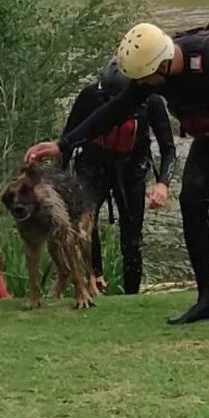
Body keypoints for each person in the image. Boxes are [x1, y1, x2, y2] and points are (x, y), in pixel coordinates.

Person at [25, 22, 209, 333]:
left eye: (143, 78)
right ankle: (208, 297)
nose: (141, 85)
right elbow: (114, 110)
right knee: (192, 200)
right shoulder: (154, 75)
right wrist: (62, 144)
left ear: (163, 65)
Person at [61, 60, 176, 295]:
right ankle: (95, 279)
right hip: (93, 165)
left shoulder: (150, 100)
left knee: (132, 239)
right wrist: (61, 183)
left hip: (132, 167)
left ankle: (132, 294)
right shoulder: (90, 96)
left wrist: (162, 183)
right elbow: (67, 140)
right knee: (84, 222)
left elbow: (168, 148)